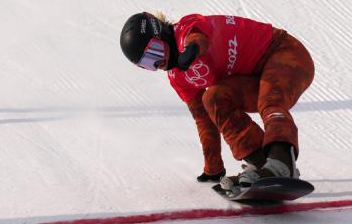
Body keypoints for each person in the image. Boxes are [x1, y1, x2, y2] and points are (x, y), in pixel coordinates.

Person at [119, 11, 314, 194]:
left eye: (155, 52)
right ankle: (263, 164)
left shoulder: (187, 26)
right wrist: (213, 168)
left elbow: (197, 37)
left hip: (285, 53)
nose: (157, 63)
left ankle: (282, 163)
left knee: (271, 99)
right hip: (254, 78)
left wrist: (192, 49)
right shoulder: (178, 77)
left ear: (162, 34)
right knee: (212, 98)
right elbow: (203, 118)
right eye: (147, 63)